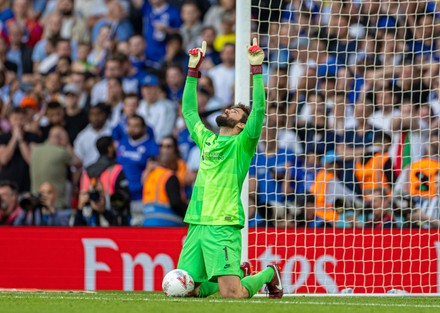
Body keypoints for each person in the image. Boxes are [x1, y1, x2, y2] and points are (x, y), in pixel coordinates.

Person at [177, 39, 283, 299]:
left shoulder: (242, 145)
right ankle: (239, 272)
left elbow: (258, 110)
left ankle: (270, 274)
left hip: (223, 224)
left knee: (233, 295)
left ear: (240, 126)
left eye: (234, 111)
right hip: (196, 223)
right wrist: (193, 72)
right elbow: (190, 113)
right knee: (188, 290)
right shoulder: (208, 140)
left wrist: (256, 70)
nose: (227, 110)